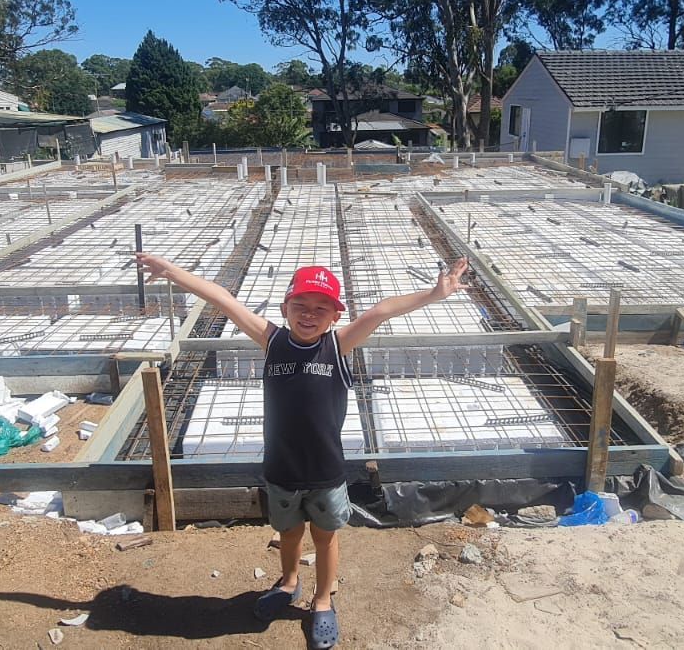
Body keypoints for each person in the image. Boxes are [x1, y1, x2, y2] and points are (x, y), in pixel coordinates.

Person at [133, 252, 469, 649]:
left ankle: (323, 600)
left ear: (334, 317)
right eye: (300, 306)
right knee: (288, 535)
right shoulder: (272, 340)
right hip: (281, 471)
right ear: (285, 308)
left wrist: (434, 294)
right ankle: (289, 583)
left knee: (325, 539)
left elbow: (380, 311)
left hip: (326, 473)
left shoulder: (338, 346)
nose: (309, 315)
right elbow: (224, 298)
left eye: (320, 309)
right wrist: (172, 271)